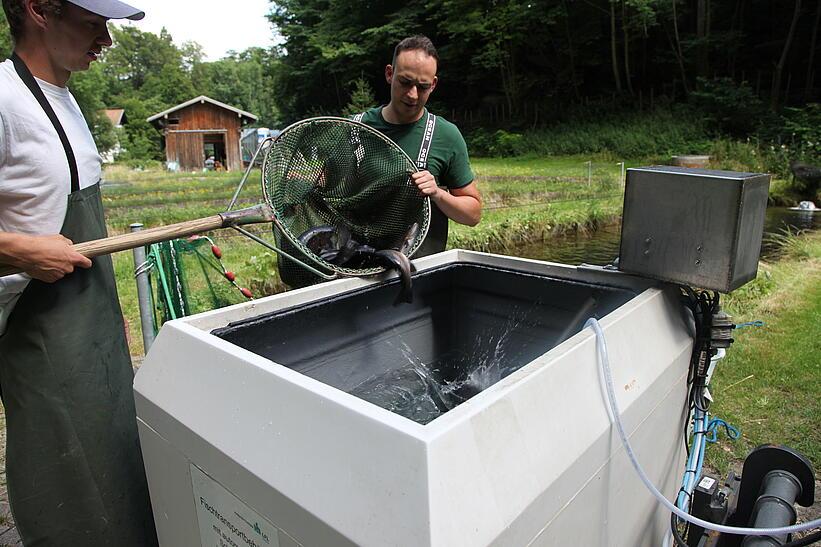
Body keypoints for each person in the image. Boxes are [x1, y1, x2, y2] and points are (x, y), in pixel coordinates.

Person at [0, 0, 158, 545]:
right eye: (93, 24)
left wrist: (109, 313)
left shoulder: (67, 100)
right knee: (65, 472)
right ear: (38, 10)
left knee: (118, 456)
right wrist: (21, 252)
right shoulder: (1, 98)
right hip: (37, 328)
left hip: (91, 318)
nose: (105, 40)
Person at [355, 34, 482, 257]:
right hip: (357, 272)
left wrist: (437, 194)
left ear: (433, 85)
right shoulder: (354, 128)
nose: (412, 95)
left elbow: (473, 215)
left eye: (422, 87)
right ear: (389, 73)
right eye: (405, 82)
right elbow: (322, 185)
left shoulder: (446, 136)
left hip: (420, 275)